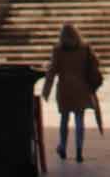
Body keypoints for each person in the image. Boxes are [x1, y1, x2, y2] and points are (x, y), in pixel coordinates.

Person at [42, 22, 103, 163]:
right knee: (79, 119)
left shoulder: (58, 50)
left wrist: (46, 90)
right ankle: (79, 150)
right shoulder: (84, 48)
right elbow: (95, 63)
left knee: (64, 119)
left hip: (64, 89)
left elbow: (52, 70)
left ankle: (63, 146)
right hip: (81, 88)